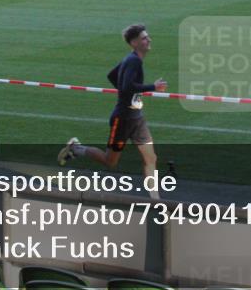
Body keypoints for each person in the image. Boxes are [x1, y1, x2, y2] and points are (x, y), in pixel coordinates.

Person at [57, 24, 168, 195]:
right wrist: (153, 87)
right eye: (144, 38)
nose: (149, 39)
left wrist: (130, 96)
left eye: (148, 37)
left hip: (137, 118)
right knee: (110, 161)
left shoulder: (132, 59)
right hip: (122, 119)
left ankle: (156, 201)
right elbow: (126, 86)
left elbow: (112, 75)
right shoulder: (133, 61)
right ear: (134, 42)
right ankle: (76, 149)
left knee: (151, 158)